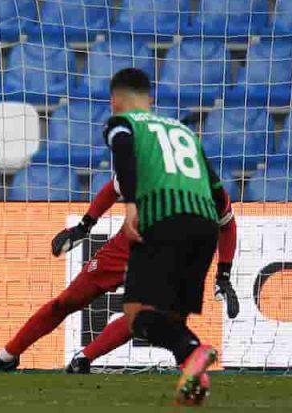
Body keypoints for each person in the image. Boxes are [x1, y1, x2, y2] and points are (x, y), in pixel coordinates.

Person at [0, 176, 237, 375]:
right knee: (66, 302)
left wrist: (223, 273)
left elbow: (227, 225)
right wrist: (84, 226)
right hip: (123, 249)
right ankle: (8, 356)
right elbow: (113, 188)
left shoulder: (213, 192)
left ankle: (83, 359)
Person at [104, 67, 226, 405]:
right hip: (205, 224)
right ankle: (194, 383)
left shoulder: (122, 123)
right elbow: (217, 188)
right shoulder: (185, 131)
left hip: (164, 219)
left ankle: (195, 350)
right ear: (150, 99)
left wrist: (130, 205)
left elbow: (124, 153)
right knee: (173, 317)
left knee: (136, 315)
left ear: (116, 102)